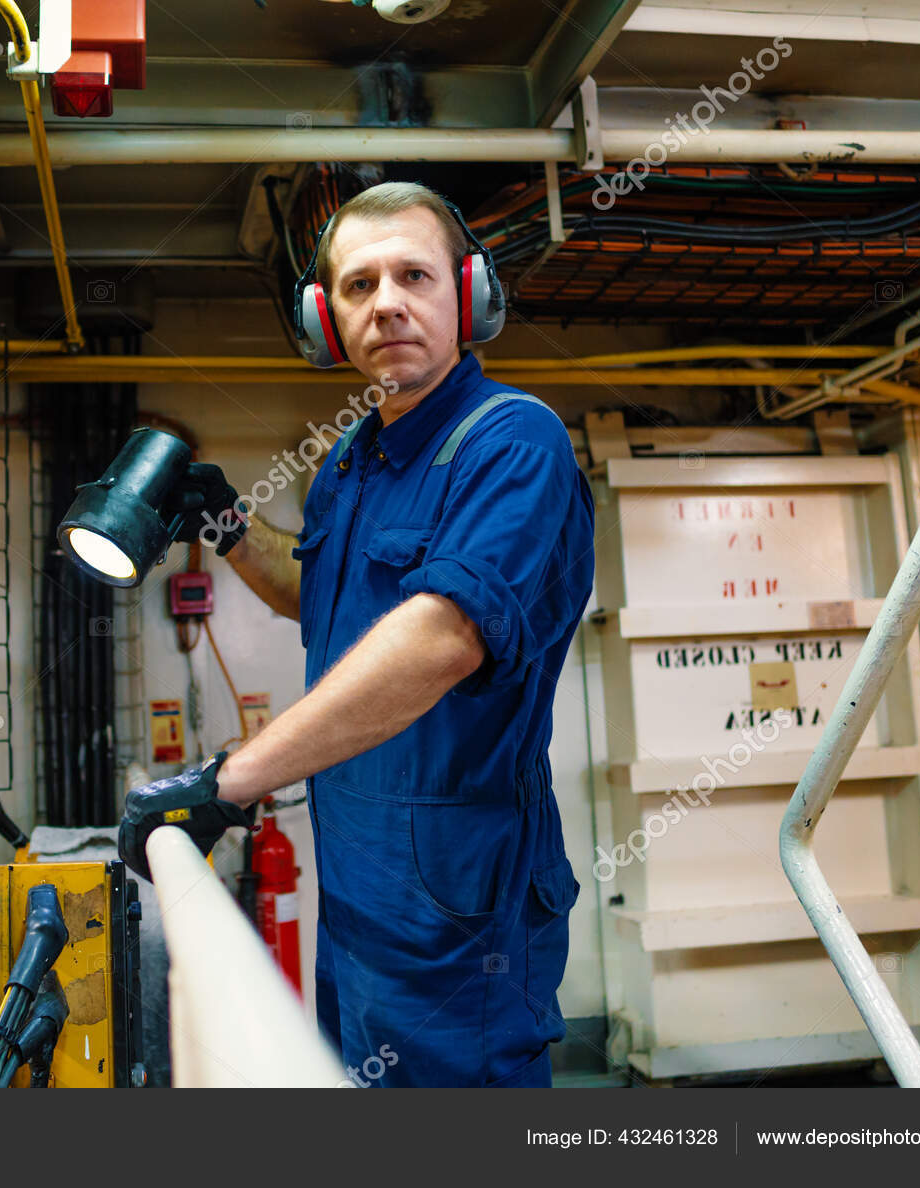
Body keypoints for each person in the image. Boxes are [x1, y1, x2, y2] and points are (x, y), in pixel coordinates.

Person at [117, 181, 595, 1087]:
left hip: (462, 898)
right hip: (358, 884)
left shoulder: (512, 442)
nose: (388, 303)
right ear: (324, 318)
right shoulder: (350, 458)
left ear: (470, 295)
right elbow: (326, 593)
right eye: (358, 284)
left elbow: (439, 637)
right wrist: (224, 526)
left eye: (414, 275)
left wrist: (229, 782)